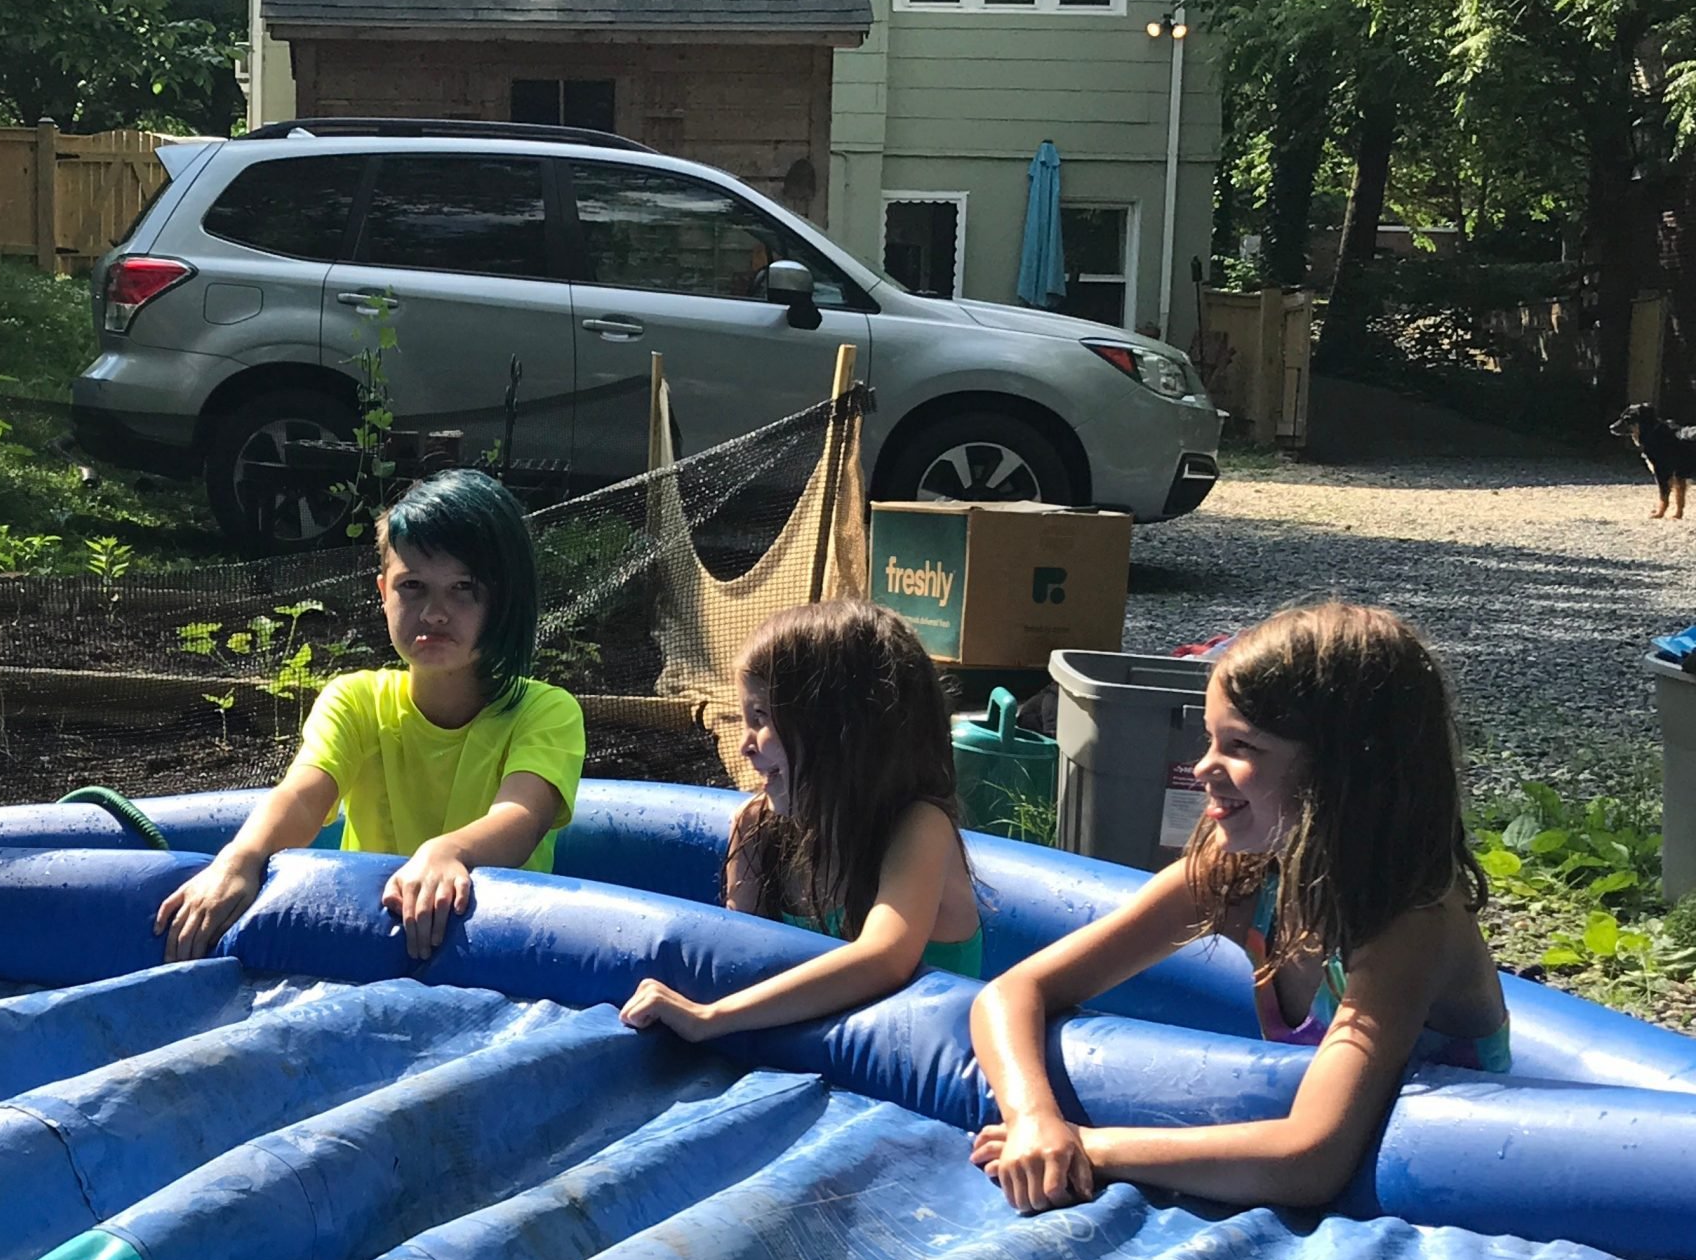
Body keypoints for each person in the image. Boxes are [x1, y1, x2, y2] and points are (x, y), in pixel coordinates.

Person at [970, 602, 1510, 1216]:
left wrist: (1094, 1147)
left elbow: (1309, 1159)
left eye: (1239, 745)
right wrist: (1036, 1117)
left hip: (1459, 1198)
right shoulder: (1243, 880)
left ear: (1343, 771)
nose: (1202, 768)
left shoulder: (1408, 927)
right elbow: (1012, 992)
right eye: (1209, 738)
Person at [156, 470, 585, 963]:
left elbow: (521, 817)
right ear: (383, 592)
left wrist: (449, 853)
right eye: (413, 586)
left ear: (503, 598)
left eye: (463, 588)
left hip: (498, 949)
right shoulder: (355, 700)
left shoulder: (544, 710)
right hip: (361, 939)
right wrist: (241, 859)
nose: (434, 613)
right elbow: (303, 796)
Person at [621, 601, 980, 1043]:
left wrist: (712, 1017)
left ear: (840, 729)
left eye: (761, 719)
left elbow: (886, 959)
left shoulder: (918, 828)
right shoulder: (757, 830)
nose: (744, 747)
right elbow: (737, 962)